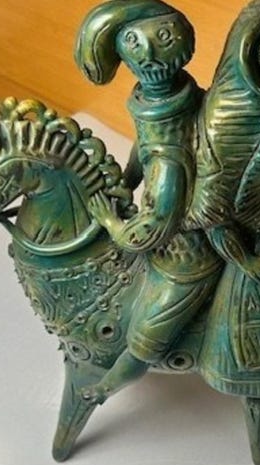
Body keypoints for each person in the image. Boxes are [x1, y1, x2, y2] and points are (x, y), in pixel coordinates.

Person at [75, 0, 222, 404]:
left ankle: (103, 389)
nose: (148, 54)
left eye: (160, 40)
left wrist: (112, 222)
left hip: (187, 256)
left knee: (144, 340)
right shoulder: (166, 106)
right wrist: (128, 178)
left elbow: (156, 224)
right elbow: (145, 145)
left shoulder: (169, 157)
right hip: (169, 231)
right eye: (135, 44)